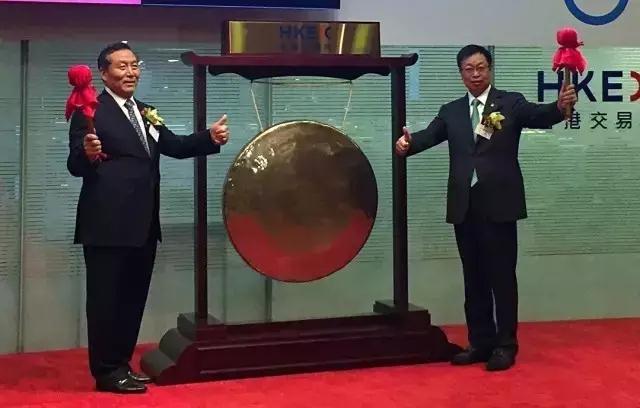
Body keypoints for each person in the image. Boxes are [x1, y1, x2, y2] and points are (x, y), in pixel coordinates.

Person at [395, 44, 577, 371]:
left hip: (500, 203)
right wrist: (407, 144)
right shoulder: (451, 111)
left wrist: (560, 106)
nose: (476, 74)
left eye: (481, 67)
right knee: (474, 278)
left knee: (501, 278)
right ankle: (480, 342)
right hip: (465, 206)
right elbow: (428, 137)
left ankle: (505, 345)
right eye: (469, 69)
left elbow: (541, 115)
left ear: (490, 69)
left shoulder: (510, 103)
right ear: (461, 73)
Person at [67, 42, 230, 393]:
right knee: (106, 302)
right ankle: (106, 372)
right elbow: (75, 165)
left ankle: (120, 364)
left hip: (143, 224)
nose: (131, 72)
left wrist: (209, 138)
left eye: (134, 65)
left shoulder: (145, 111)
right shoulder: (90, 111)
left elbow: (175, 146)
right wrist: (88, 153)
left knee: (131, 300)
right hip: (106, 224)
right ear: (104, 73)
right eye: (122, 66)